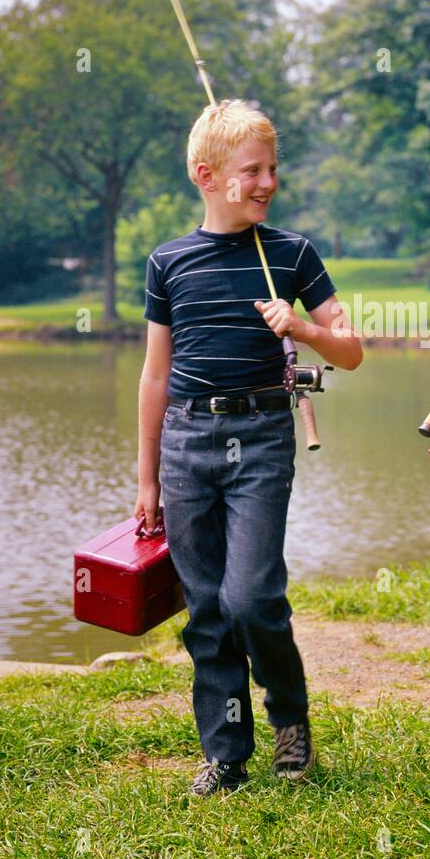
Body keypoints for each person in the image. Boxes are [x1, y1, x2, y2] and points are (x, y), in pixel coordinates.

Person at [135, 99, 362, 795]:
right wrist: (147, 480)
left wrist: (301, 328)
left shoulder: (290, 254)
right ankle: (225, 752)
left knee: (252, 595)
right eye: (251, 170)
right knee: (207, 605)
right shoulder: (167, 263)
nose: (268, 182)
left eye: (273, 169)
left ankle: (290, 720)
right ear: (207, 175)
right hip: (185, 443)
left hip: (262, 436)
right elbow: (155, 374)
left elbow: (351, 351)